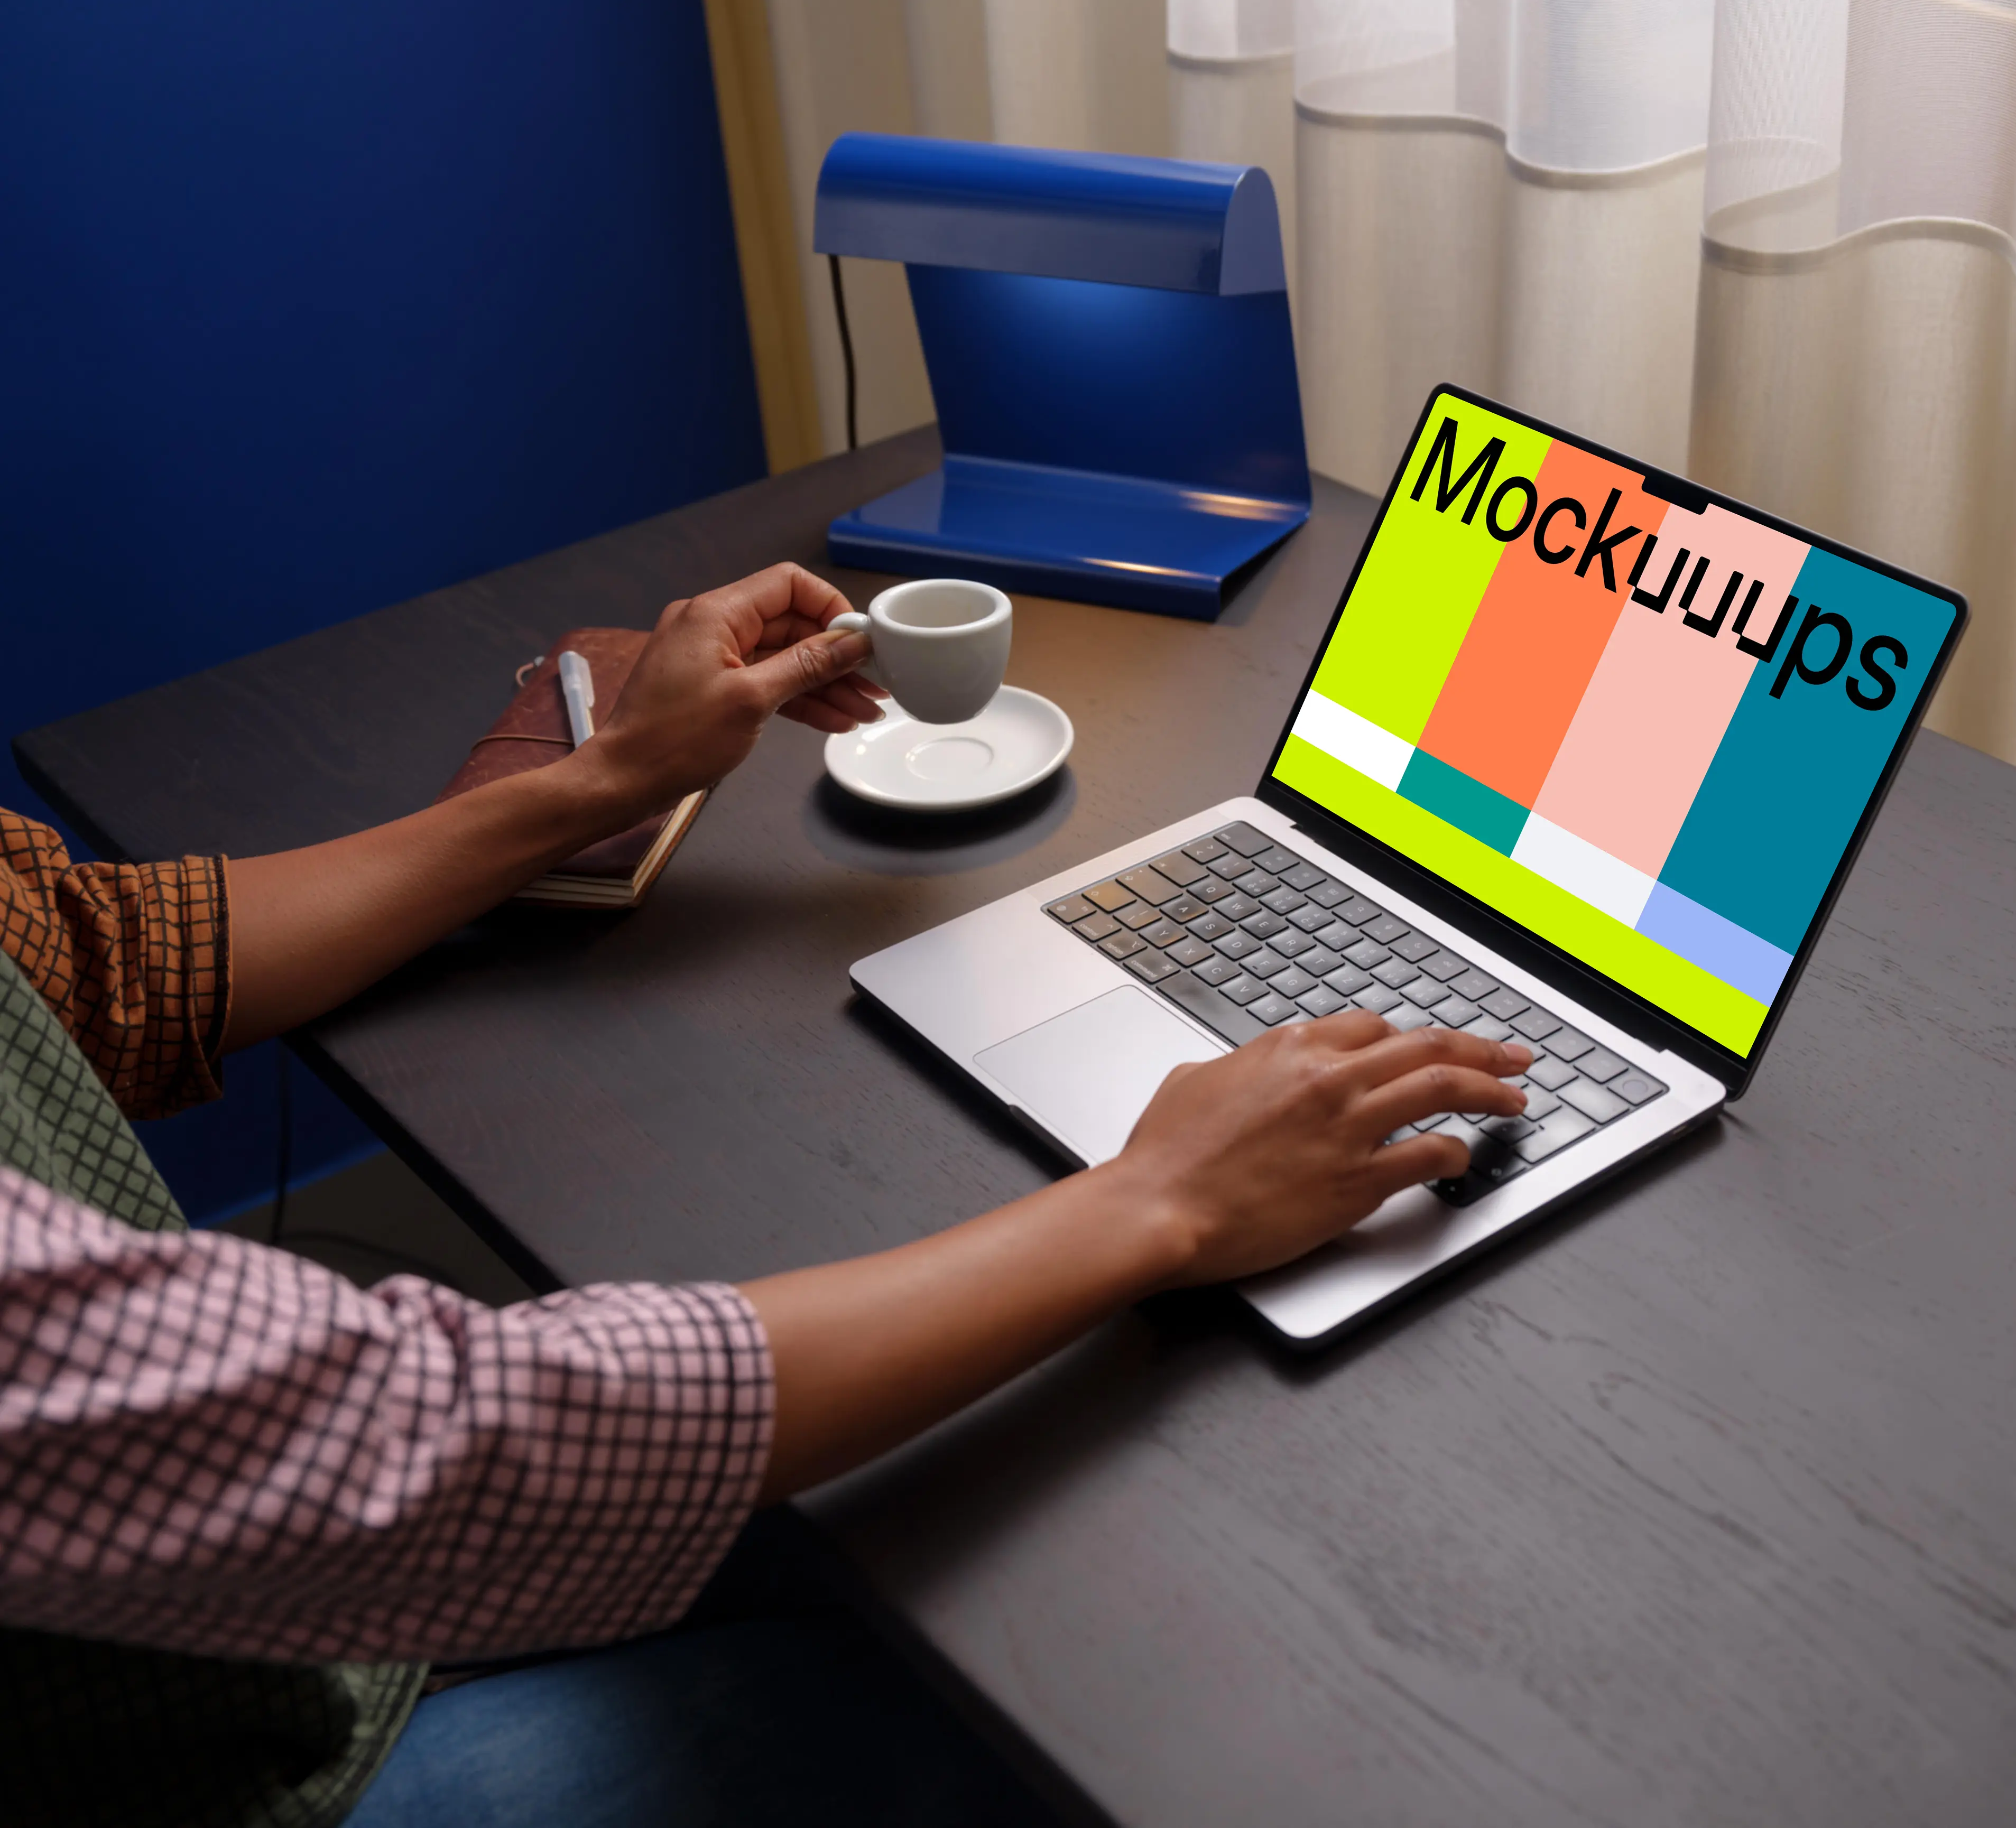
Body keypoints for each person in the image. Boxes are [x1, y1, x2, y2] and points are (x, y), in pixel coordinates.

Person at [0, 564, 1531, 1827]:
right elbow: (438, 1443)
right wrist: (1159, 1201)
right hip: (220, 1766)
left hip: (251, 1589)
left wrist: (614, 773)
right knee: (1057, 1730)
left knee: (930, 1525)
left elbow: (91, 957)